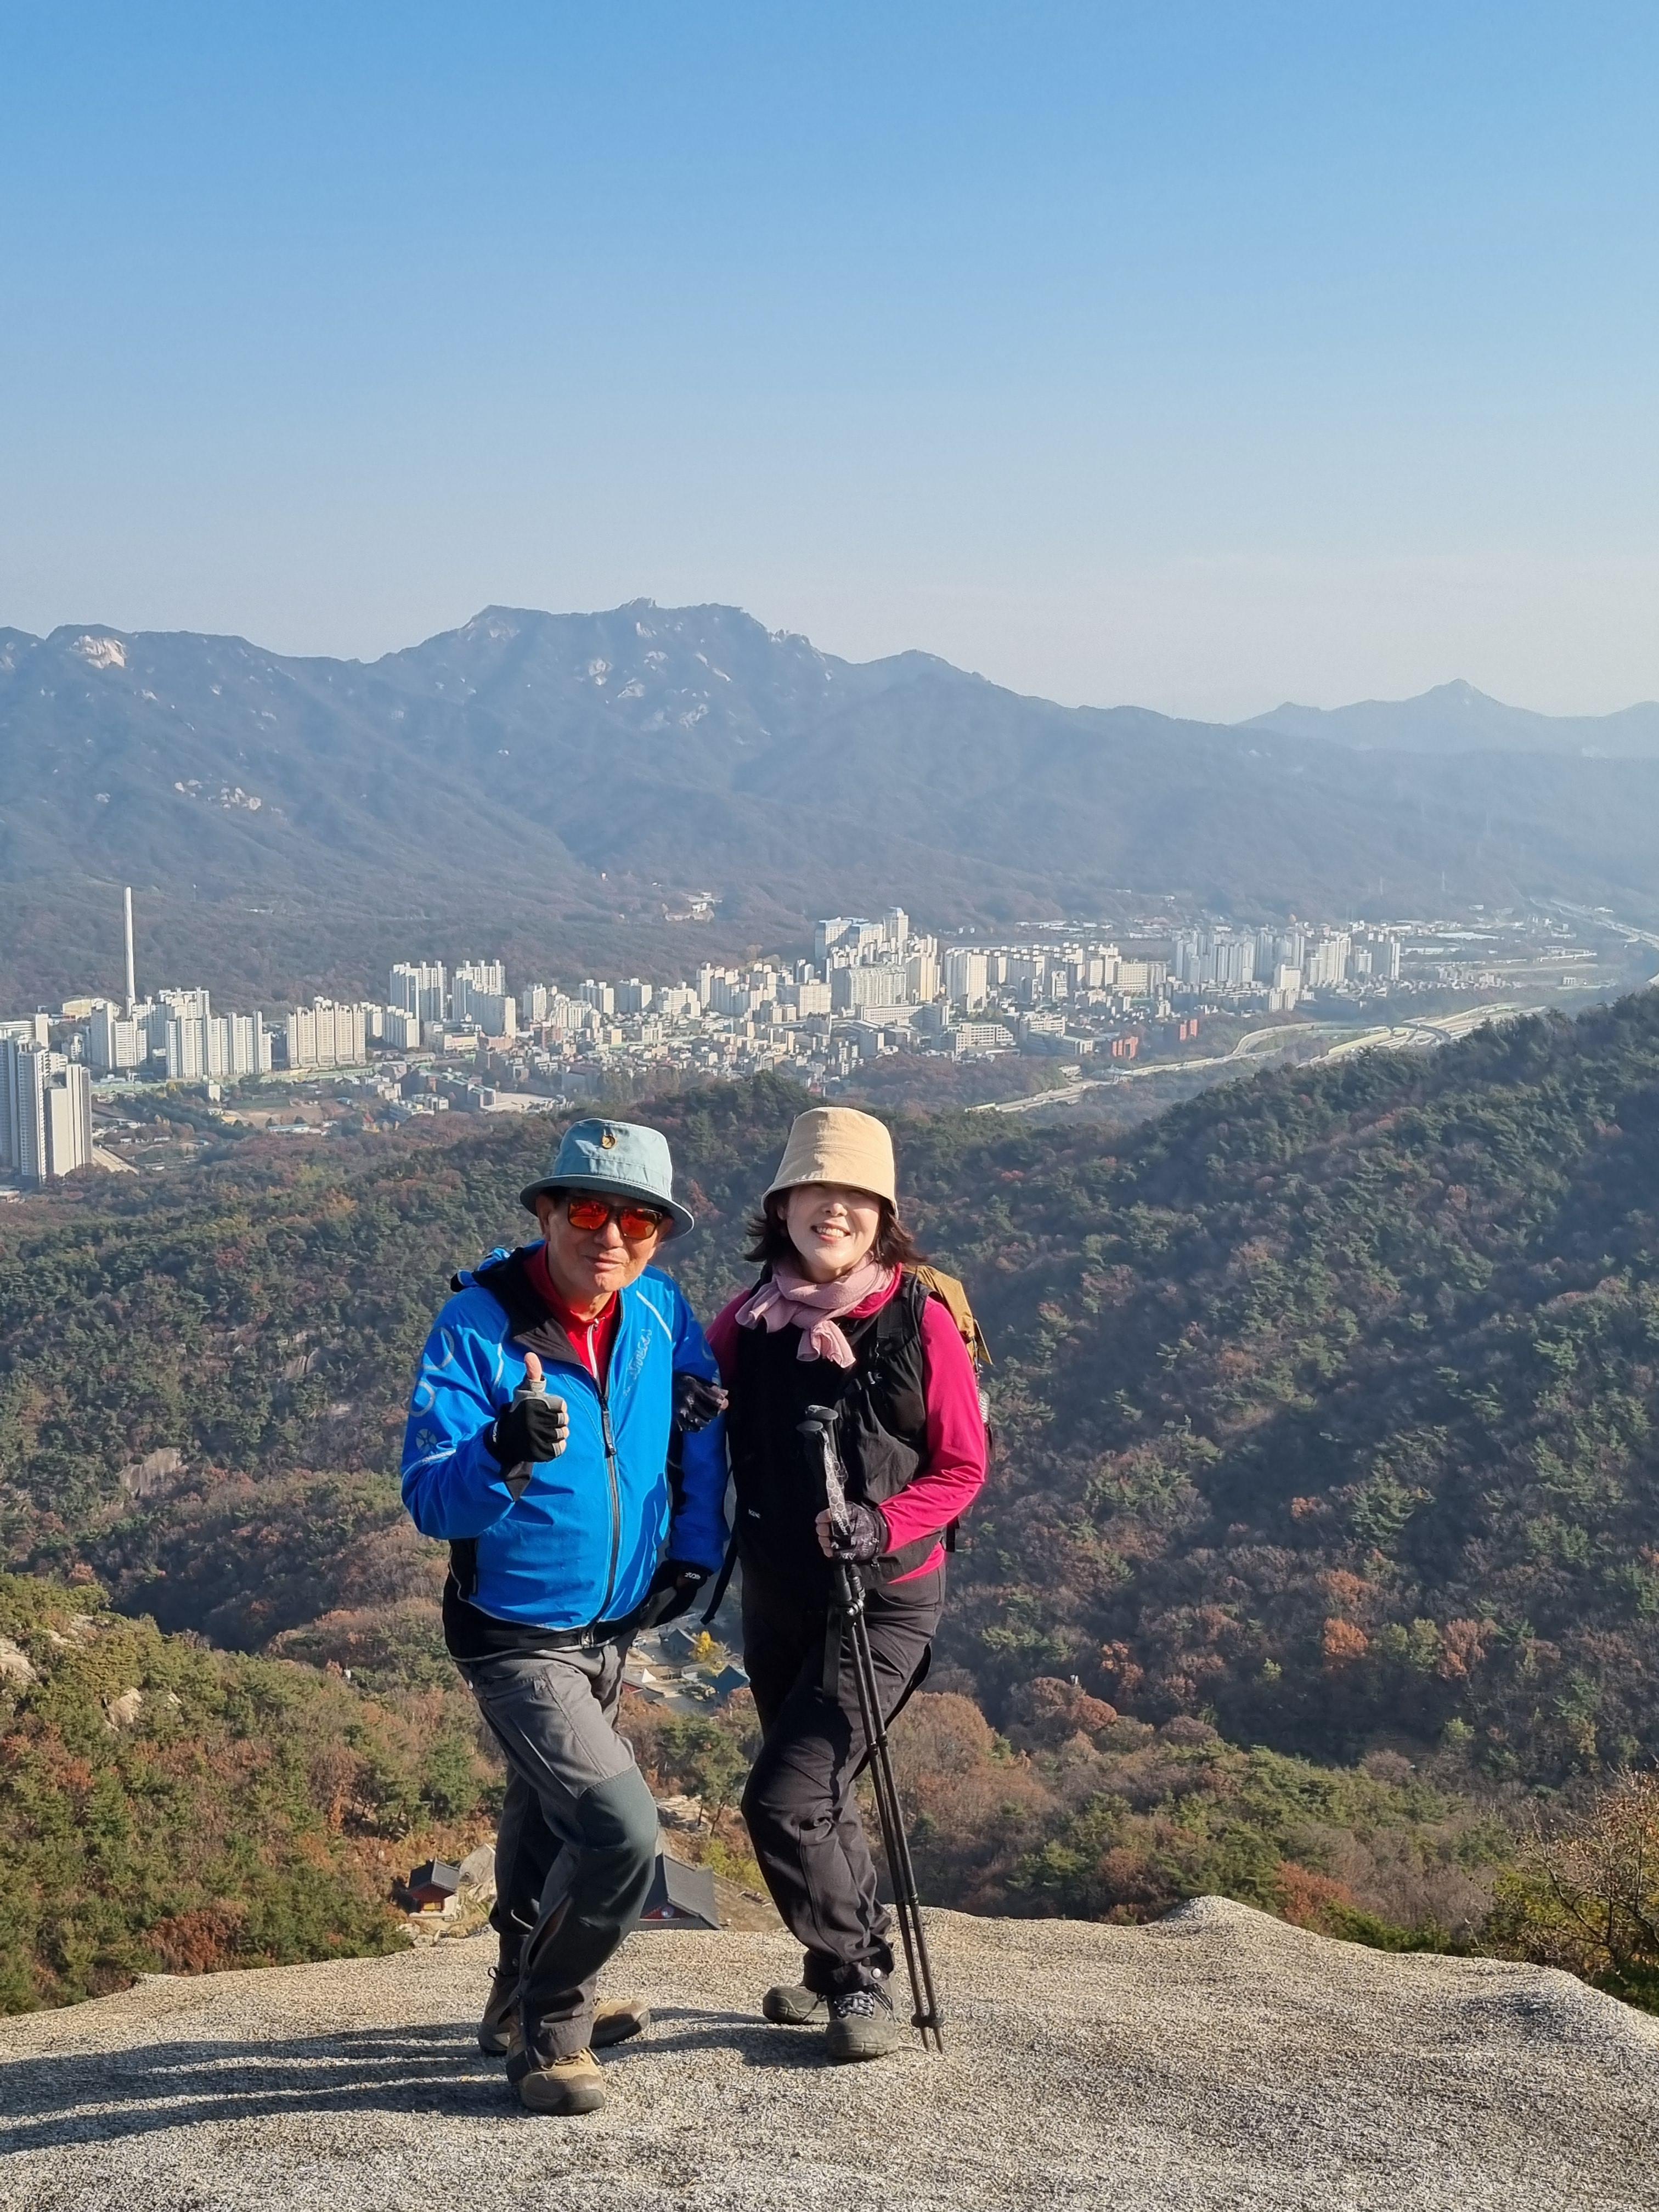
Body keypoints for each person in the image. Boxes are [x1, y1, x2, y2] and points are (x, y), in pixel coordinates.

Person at [400, 1117, 728, 2115]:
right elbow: (429, 1497)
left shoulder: (661, 1311)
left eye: (639, 1220)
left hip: (613, 1624)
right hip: (514, 1631)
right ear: (546, 1212)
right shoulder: (480, 1327)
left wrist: (693, 1551)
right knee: (620, 1829)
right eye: (588, 1209)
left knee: (547, 1814)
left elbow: (700, 1428)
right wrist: (501, 1446)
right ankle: (551, 2031)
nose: (612, 1236)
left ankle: (512, 1994)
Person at [706, 1105, 988, 2062]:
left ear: (883, 1216)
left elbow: (963, 1466)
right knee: (823, 1787)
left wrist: (880, 1524)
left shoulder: (919, 1320)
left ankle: (859, 1974)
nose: (834, 1210)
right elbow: (685, 1406)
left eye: (856, 1196)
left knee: (785, 1797)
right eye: (815, 1191)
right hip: (780, 1592)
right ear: (782, 1208)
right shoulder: (749, 1321)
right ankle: (835, 1971)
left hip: (887, 1599)